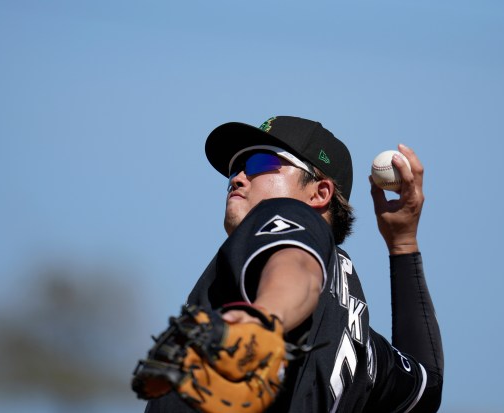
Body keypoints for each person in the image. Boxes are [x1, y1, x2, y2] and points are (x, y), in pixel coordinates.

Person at [144, 116, 443, 413]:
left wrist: (263, 319)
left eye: (262, 163)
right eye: (237, 168)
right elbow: (427, 387)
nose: (237, 178)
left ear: (319, 193)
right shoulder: (360, 344)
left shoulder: (288, 214)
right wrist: (403, 244)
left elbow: (296, 267)